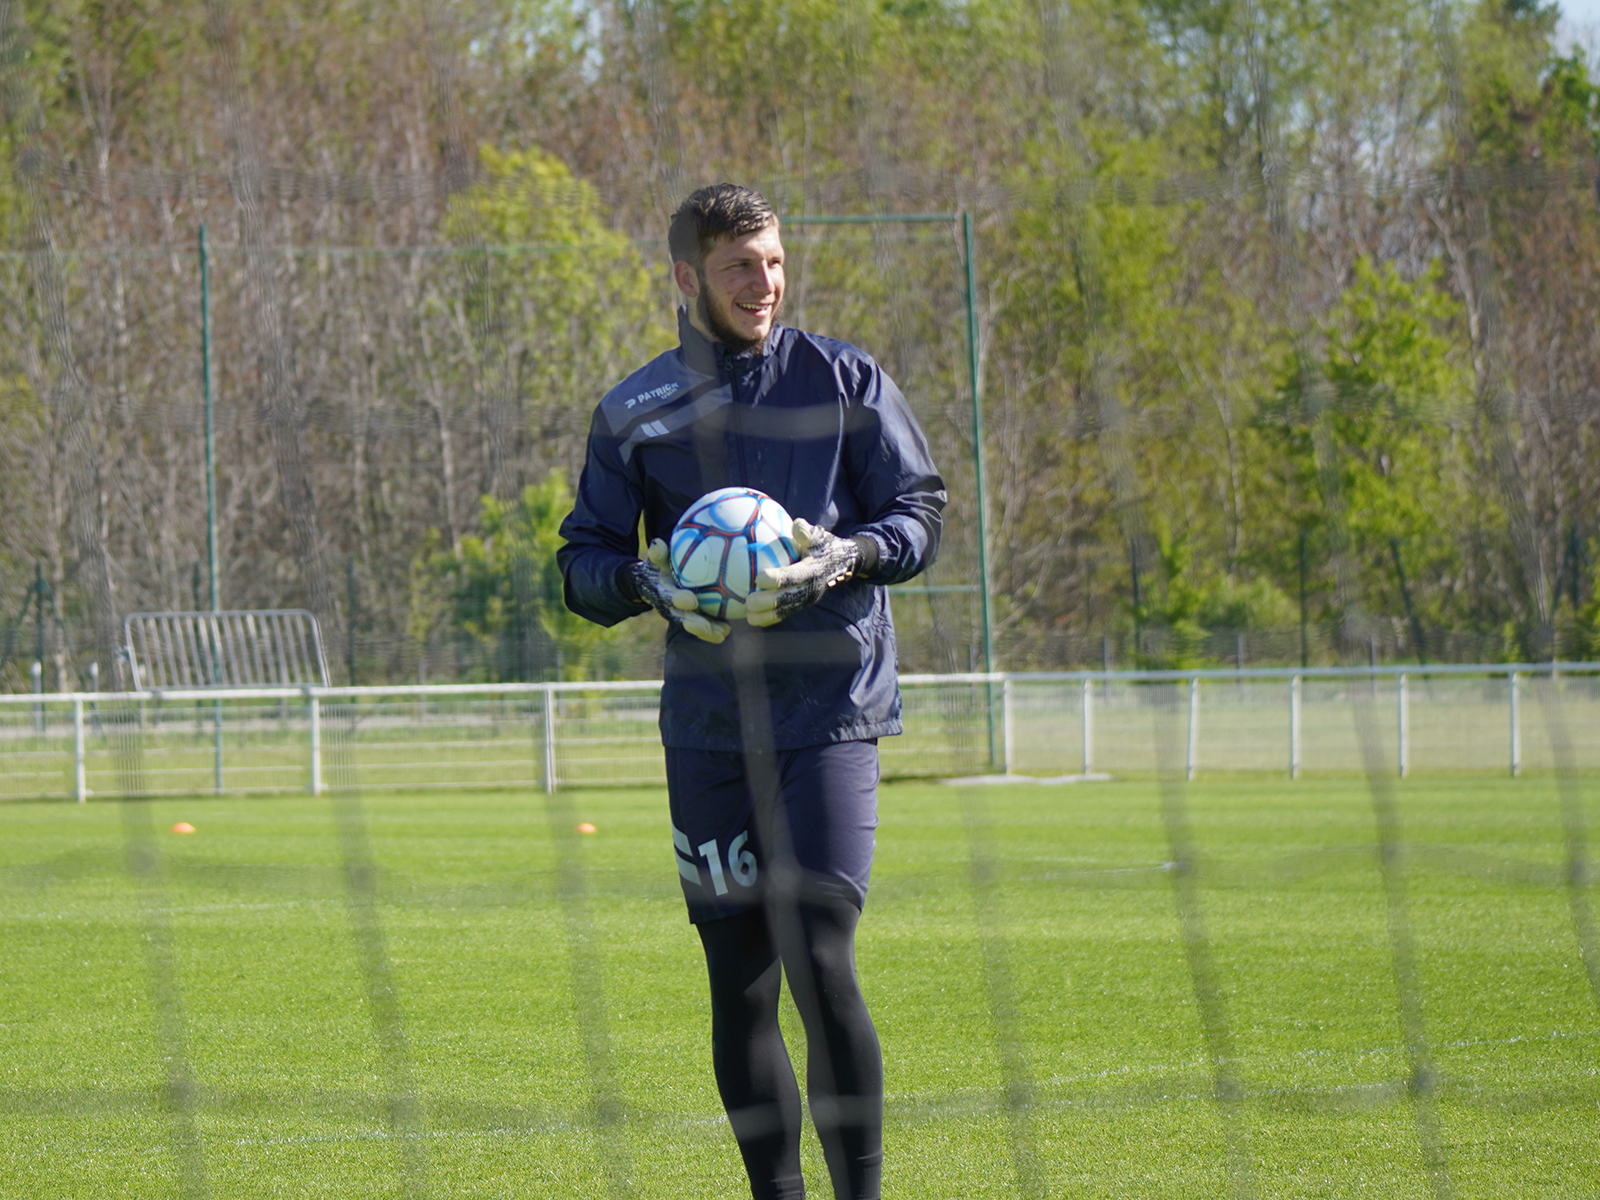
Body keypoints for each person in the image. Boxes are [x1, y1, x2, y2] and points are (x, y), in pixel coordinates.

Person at [557, 183, 945, 1200]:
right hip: (709, 729)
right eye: (739, 267)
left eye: (772, 261)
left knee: (818, 956)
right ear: (687, 277)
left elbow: (919, 511)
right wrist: (642, 580)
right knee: (740, 985)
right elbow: (583, 560)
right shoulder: (636, 413)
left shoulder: (846, 379)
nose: (763, 283)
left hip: (830, 713)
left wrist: (853, 552)